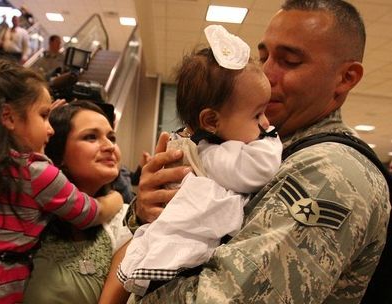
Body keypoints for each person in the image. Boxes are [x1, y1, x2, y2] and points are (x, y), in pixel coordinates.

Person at [126, 0, 390, 303]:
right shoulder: (259, 144)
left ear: (346, 78)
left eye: (289, 61)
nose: (266, 74)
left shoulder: (331, 170)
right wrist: (148, 209)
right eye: (263, 57)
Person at [0, 60, 123, 304]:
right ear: (8, 117)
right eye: (44, 116)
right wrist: (116, 200)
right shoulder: (36, 173)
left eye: (112, 136)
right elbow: (91, 212)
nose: (49, 130)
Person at [117, 25, 283, 296]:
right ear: (211, 121)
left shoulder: (199, 142)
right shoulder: (214, 155)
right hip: (183, 254)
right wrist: (271, 139)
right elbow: (261, 168)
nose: (266, 123)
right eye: (257, 116)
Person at [23, 100, 132, 304]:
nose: (109, 146)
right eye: (91, 137)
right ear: (59, 152)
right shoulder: (27, 211)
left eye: (112, 137)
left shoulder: (126, 221)